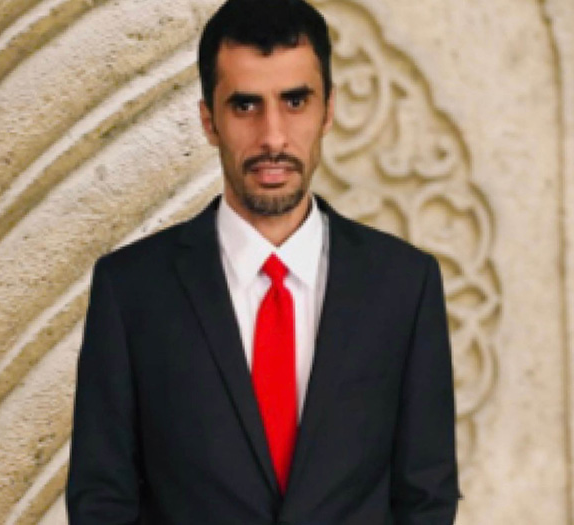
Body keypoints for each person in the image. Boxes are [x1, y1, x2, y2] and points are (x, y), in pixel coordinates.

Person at [66, 0, 460, 523]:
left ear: (329, 110)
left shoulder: (405, 285)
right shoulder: (130, 291)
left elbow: (427, 496)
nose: (273, 137)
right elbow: (101, 501)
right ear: (209, 120)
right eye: (245, 106)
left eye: (295, 101)